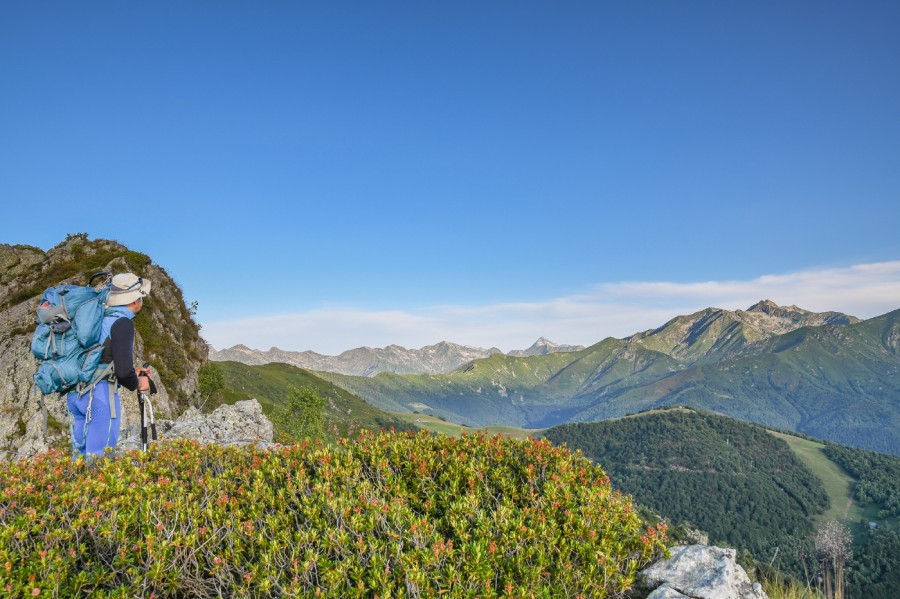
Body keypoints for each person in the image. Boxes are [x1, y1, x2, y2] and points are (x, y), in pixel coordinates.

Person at [66, 273, 152, 459]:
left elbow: (100, 357)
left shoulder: (96, 318)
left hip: (76, 394)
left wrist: (131, 372)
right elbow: (122, 371)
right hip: (99, 396)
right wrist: (138, 382)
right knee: (100, 457)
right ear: (135, 300)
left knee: (79, 456)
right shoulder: (122, 323)